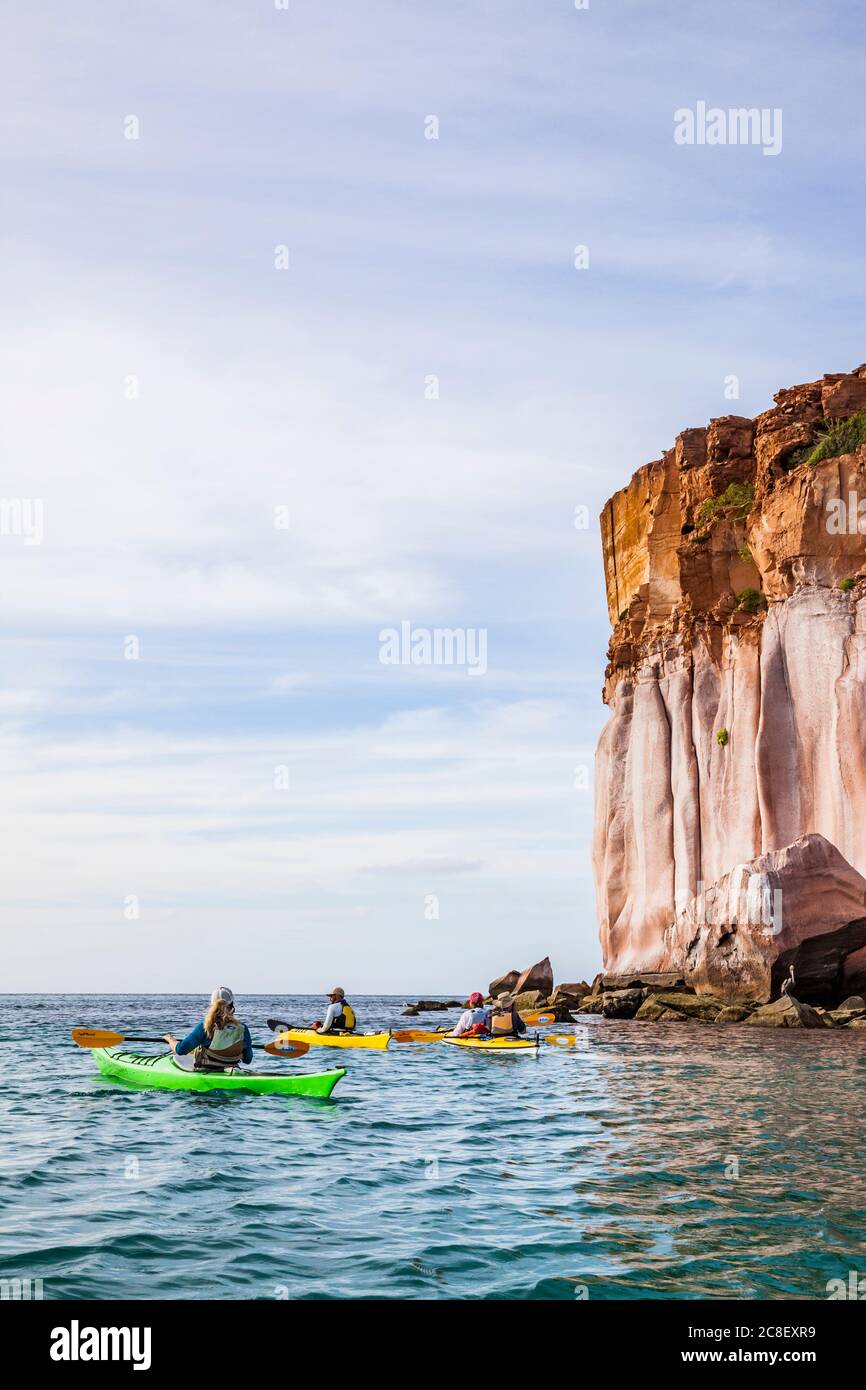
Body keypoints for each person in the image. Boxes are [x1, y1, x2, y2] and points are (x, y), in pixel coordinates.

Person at [164, 987, 253, 1071]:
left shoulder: (205, 1026)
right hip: (231, 1070)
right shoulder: (243, 1029)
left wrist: (170, 1040)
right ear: (232, 1006)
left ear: (212, 1005)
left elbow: (181, 1050)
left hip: (207, 1070)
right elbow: (248, 1059)